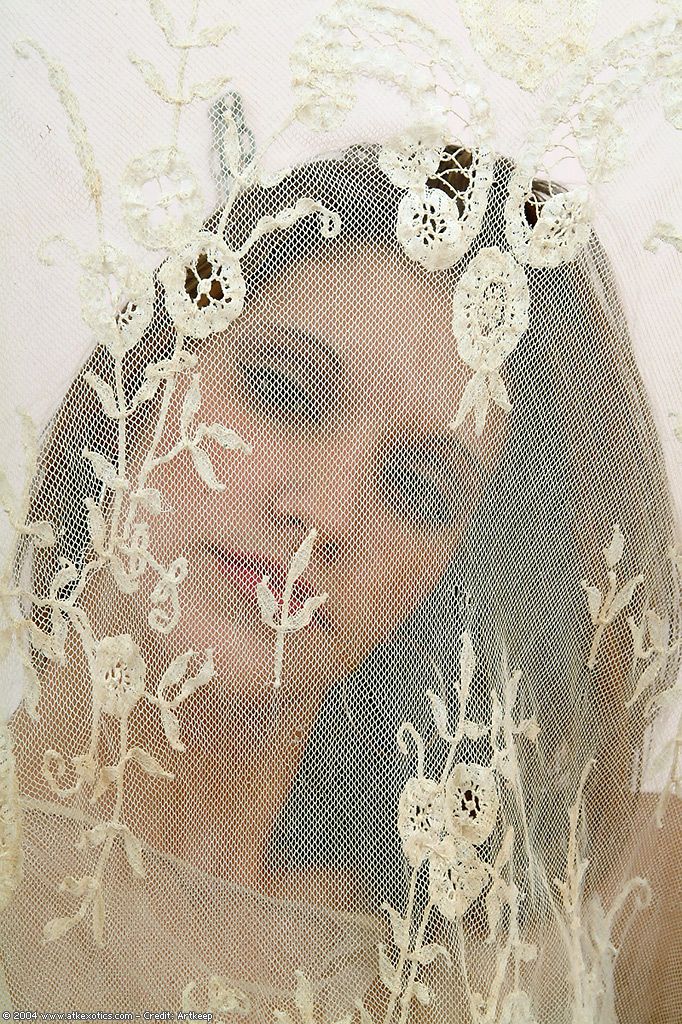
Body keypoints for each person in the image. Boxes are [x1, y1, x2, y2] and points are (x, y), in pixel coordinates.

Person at [1, 134, 680, 1022]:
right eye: (284, 391)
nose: (324, 511)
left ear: (454, 574)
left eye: (421, 490)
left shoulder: (531, 942)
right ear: (154, 369)